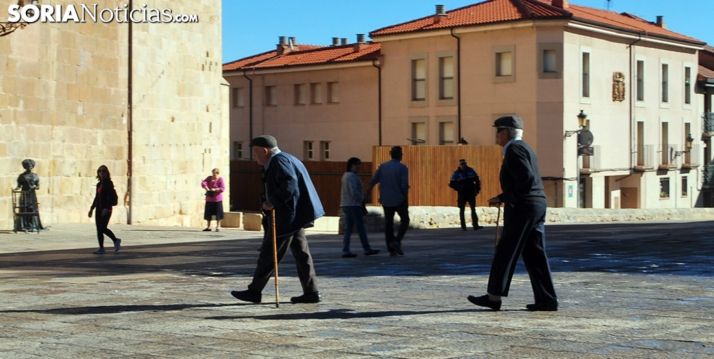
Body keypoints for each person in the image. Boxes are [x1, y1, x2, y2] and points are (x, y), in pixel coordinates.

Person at [467, 116, 557, 311]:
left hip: (523, 206)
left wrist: (506, 197)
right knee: (535, 254)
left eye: (498, 131)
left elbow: (526, 178)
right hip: (536, 204)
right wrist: (504, 196)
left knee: (505, 250)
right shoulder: (525, 148)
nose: (496, 135)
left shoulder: (514, 150)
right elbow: (527, 179)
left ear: (506, 132)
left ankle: (493, 297)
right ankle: (546, 299)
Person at [231, 135, 324, 304]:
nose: (254, 156)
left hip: (287, 217)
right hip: (295, 216)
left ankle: (255, 291)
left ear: (265, 151)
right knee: (302, 254)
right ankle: (311, 292)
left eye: (255, 152)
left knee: (269, 253)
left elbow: (290, 185)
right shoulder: (288, 158)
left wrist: (271, 202)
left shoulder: (278, 162)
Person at [366, 146, 409, 256]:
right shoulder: (403, 168)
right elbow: (404, 185)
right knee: (405, 220)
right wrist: (405, 197)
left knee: (388, 223)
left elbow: (373, 181)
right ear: (400, 155)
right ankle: (397, 241)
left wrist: (367, 193)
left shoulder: (383, 167)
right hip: (399, 199)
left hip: (386, 199)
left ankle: (391, 248)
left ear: (390, 154)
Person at [340, 157, 379, 258]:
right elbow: (354, 192)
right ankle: (366, 249)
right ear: (351, 165)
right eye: (356, 165)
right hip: (353, 205)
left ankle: (346, 250)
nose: (358, 167)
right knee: (360, 228)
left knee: (348, 229)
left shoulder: (346, 176)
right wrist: (362, 199)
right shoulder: (351, 177)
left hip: (347, 204)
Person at [88, 165, 121, 254]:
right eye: (100, 171)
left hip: (106, 209)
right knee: (99, 229)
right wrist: (91, 208)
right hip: (98, 209)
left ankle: (115, 240)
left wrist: (106, 208)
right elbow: (97, 197)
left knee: (102, 228)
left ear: (107, 173)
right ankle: (101, 248)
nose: (102, 173)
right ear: (98, 173)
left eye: (104, 171)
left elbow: (110, 197)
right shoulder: (99, 184)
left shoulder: (108, 183)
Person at [449, 159, 484, 231]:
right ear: (459, 165)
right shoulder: (456, 173)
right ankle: (463, 226)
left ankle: (475, 225)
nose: (463, 165)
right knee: (462, 210)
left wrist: (477, 189)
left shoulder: (471, 170)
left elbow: (477, 179)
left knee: (473, 209)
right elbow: (451, 184)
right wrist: (459, 188)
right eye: (462, 164)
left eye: (464, 163)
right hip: (462, 193)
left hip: (471, 192)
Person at [14, 159, 43, 232]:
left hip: (32, 195)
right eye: (27, 166)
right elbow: (19, 186)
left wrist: (35, 187)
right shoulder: (21, 176)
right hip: (24, 195)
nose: (29, 167)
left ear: (32, 166)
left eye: (30, 166)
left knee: (32, 209)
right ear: (25, 167)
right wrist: (15, 189)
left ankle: (32, 225)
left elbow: (38, 186)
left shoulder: (35, 176)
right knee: (24, 209)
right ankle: (24, 225)